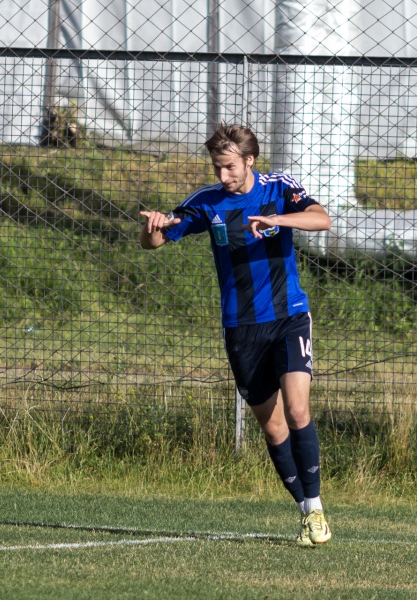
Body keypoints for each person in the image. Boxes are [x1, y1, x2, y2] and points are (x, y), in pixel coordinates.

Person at [139, 124, 332, 546]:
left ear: (249, 160)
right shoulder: (207, 202)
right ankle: (304, 510)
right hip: (241, 327)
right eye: (217, 167)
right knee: (274, 428)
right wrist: (153, 227)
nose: (223, 175)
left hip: (288, 315)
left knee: (298, 410)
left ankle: (317, 508)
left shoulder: (279, 187)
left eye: (229, 167)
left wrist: (276, 220)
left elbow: (322, 219)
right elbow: (156, 241)